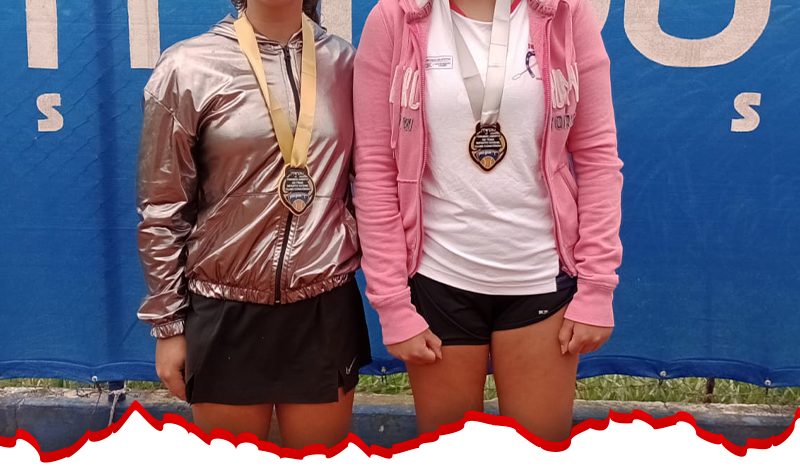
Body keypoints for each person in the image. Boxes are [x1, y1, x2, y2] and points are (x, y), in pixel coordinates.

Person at [353, 0, 623, 441]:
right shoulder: (396, 18)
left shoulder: (564, 14)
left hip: (539, 277)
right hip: (439, 279)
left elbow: (597, 158)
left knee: (538, 453)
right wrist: (392, 304)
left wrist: (597, 287)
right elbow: (375, 171)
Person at [135, 0, 370, 448]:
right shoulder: (187, 67)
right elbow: (162, 206)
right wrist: (169, 325)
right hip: (224, 310)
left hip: (323, 308)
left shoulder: (348, 65)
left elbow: (373, 185)